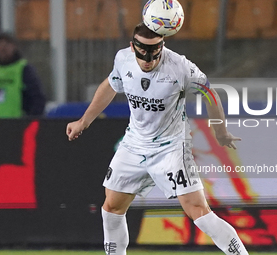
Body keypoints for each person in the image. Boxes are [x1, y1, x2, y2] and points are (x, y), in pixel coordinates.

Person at [66, 22, 248, 255]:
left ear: (163, 46)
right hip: (134, 144)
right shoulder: (123, 60)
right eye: (143, 52)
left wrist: (220, 132)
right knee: (111, 207)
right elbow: (111, 86)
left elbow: (210, 93)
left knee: (199, 212)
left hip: (170, 148)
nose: (149, 59)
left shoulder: (180, 67)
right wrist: (83, 121)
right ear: (133, 47)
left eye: (155, 52)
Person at [0, 32, 45, 118]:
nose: (3, 48)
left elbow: (36, 98)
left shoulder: (24, 69)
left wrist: (29, 119)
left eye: (7, 44)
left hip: (16, 124)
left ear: (14, 46)